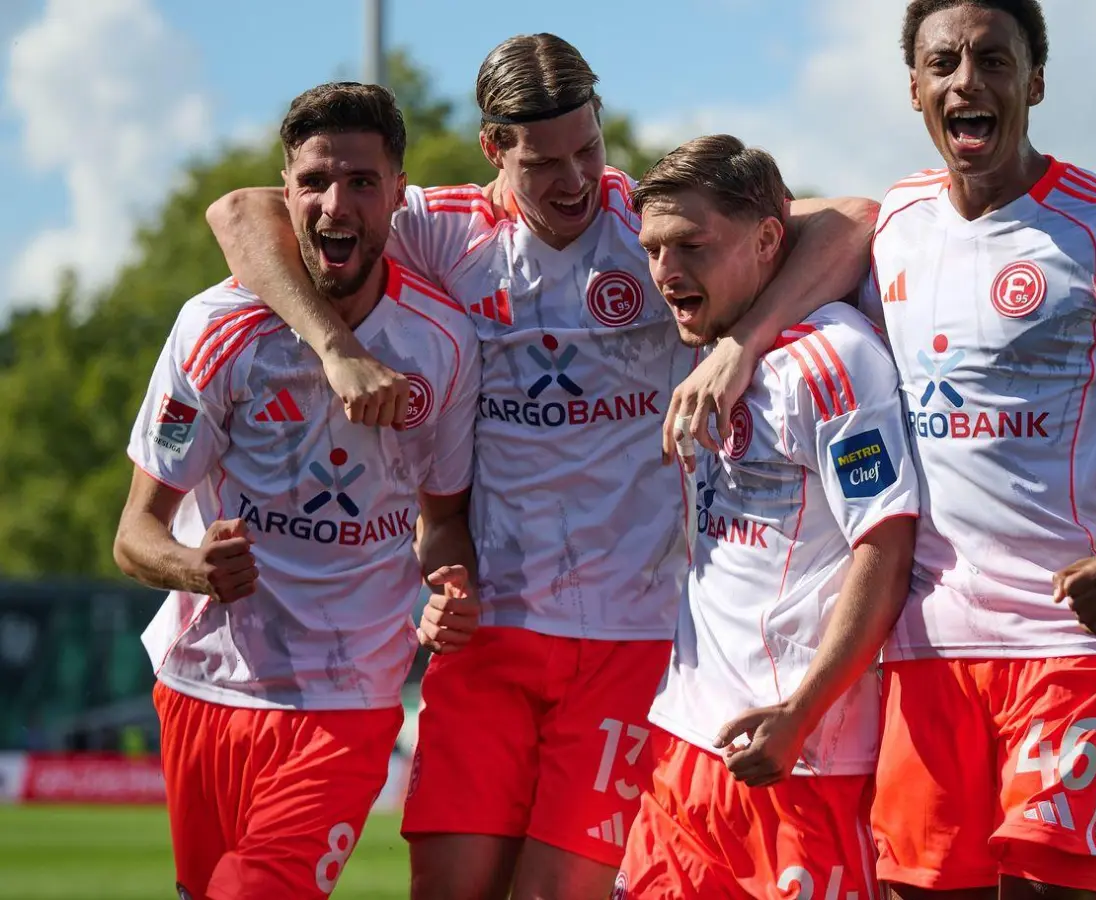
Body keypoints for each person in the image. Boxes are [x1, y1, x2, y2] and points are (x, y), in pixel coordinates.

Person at [205, 34, 877, 900]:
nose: (575, 181)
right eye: (545, 161)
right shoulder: (442, 233)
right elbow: (239, 215)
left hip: (630, 642)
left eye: (588, 149)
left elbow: (853, 219)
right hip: (490, 632)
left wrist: (738, 350)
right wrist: (333, 346)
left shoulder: (651, 228)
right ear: (493, 148)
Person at [849, 2, 1096, 897]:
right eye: (943, 64)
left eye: (993, 60)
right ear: (914, 88)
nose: (966, 82)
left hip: (1075, 639)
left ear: (1036, 82)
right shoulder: (889, 225)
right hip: (926, 647)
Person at [113, 82, 481, 900]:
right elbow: (136, 533)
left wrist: (448, 586)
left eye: (358, 182)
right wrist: (195, 567)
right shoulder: (216, 327)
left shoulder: (444, 342)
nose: (333, 203)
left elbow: (444, 520)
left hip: (347, 695)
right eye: (313, 182)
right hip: (201, 683)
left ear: (396, 193)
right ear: (287, 190)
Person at [614, 134, 918, 899]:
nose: (664, 272)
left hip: (801, 757)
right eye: (652, 248)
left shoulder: (837, 361)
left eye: (691, 245)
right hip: (685, 742)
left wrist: (801, 712)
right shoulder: (707, 341)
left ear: (768, 240)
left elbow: (885, 547)